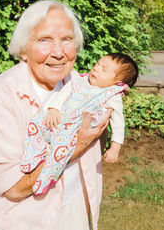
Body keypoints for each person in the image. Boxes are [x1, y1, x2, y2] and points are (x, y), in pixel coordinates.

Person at [0, 0, 118, 230]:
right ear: (23, 50)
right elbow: (13, 188)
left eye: (67, 40)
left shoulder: (82, 87)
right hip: (22, 218)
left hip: (76, 208)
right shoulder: (1, 95)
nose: (59, 52)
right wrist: (77, 145)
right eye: (45, 40)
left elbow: (96, 142)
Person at [21, 53, 138, 195]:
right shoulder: (80, 80)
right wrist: (54, 109)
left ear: (117, 83)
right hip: (59, 119)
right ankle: (33, 155)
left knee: (60, 151)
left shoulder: (112, 95)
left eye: (104, 69)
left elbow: (118, 124)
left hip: (73, 131)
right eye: (98, 64)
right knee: (35, 123)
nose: (96, 68)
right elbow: (65, 92)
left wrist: (115, 148)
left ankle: (47, 178)